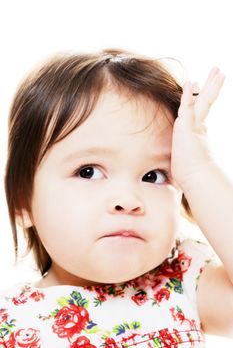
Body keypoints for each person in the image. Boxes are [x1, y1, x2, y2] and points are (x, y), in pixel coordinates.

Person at [1, 48, 232, 347]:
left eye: (153, 176)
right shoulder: (11, 322)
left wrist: (200, 170)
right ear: (22, 201)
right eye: (88, 172)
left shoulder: (183, 285)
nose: (128, 199)